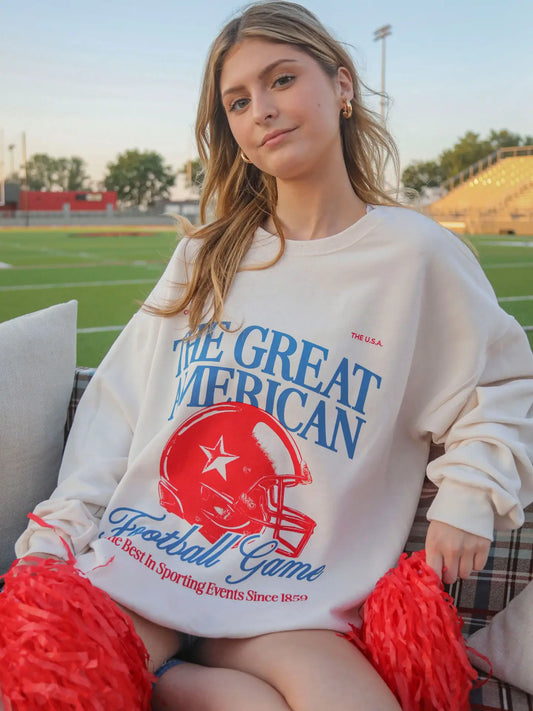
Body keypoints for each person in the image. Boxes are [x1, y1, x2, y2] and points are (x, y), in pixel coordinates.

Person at [8, 2, 533, 710]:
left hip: (298, 593)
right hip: (148, 563)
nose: (261, 109)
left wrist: (470, 492)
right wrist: (57, 534)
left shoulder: (416, 255)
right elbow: (120, 405)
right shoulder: (206, 254)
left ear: (342, 86)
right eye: (237, 100)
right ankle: (173, 676)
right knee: (53, 689)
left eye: (281, 79)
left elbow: (502, 385)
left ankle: (175, 683)